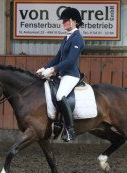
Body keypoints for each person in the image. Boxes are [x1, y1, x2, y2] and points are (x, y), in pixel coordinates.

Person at [36, 7, 84, 142]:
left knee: (59, 95)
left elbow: (70, 61)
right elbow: (58, 57)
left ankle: (70, 130)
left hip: (71, 75)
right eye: (62, 21)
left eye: (66, 21)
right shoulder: (66, 38)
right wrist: (44, 68)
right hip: (61, 74)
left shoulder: (78, 39)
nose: (63, 23)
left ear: (74, 21)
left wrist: (53, 70)